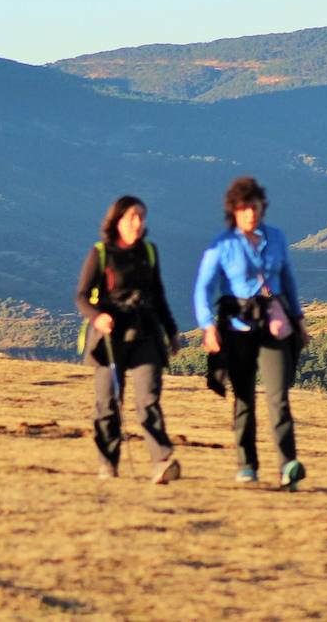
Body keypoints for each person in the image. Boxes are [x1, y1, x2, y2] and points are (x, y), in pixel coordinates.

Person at [193, 176, 311, 491]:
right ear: (234, 210)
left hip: (274, 324)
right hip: (238, 328)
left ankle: (288, 465)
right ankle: (247, 466)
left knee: (279, 397)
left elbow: (288, 280)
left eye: (255, 207)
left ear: (262, 207)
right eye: (244, 208)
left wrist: (299, 319)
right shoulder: (222, 245)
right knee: (243, 397)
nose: (251, 214)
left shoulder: (277, 238)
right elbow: (203, 288)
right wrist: (207, 326)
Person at [75, 195, 182, 483]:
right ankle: (108, 464)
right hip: (109, 337)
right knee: (108, 403)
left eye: (142, 217)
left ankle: (162, 460)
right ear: (117, 221)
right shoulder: (100, 254)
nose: (138, 223)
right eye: (132, 217)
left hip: (145, 333)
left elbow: (158, 295)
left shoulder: (149, 252)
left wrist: (171, 331)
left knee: (149, 398)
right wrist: (97, 316)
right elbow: (82, 296)